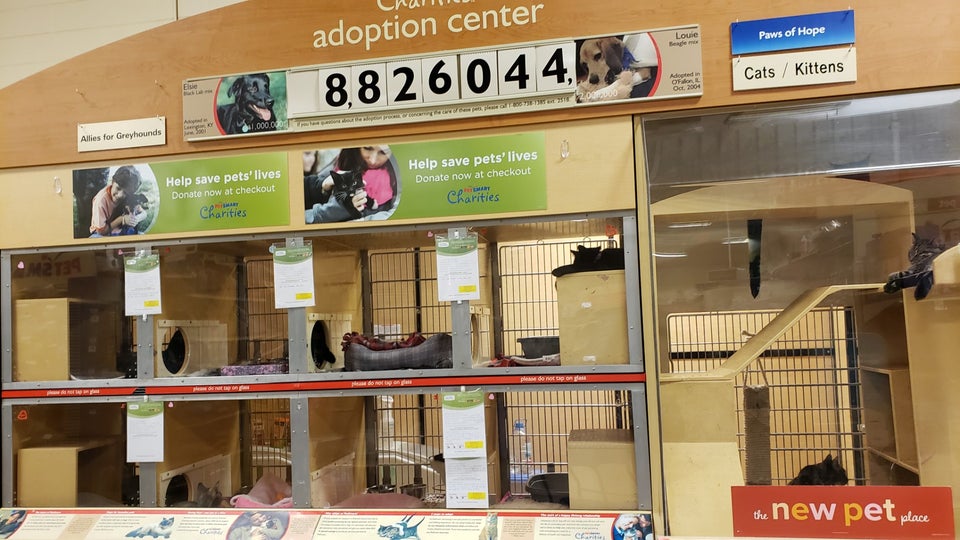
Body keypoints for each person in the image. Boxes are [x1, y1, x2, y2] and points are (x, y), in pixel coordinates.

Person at [304, 145, 399, 224]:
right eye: (367, 148)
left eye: (383, 152)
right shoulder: (340, 163)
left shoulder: (398, 175)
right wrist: (335, 209)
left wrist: (362, 222)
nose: (372, 160)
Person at [89, 165, 143, 236]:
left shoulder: (129, 196)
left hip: (121, 230)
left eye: (126, 192)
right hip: (102, 233)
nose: (120, 195)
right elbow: (101, 231)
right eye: (118, 188)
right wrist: (122, 219)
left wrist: (136, 219)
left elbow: (143, 213)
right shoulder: (101, 200)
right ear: (112, 181)